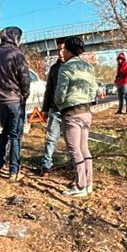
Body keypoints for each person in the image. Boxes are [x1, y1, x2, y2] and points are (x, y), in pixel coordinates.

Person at [0, 26, 30, 181]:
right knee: (16, 135)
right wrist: (25, 94)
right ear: (15, 37)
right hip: (15, 100)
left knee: (4, 131)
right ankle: (14, 170)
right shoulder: (17, 54)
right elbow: (24, 78)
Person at [54, 36, 96, 197]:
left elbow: (60, 92)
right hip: (86, 111)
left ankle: (80, 186)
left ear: (68, 50)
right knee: (84, 148)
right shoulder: (88, 67)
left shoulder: (66, 68)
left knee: (74, 150)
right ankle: (88, 183)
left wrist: (59, 104)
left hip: (71, 112)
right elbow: (93, 91)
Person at [39, 38, 66, 177]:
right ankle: (46, 167)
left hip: (70, 111)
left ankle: (75, 166)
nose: (60, 53)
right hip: (55, 110)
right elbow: (49, 90)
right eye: (58, 49)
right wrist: (45, 109)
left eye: (63, 49)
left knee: (72, 142)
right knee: (51, 139)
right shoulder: (54, 68)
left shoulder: (75, 67)